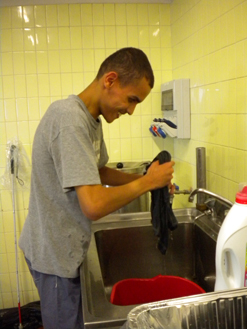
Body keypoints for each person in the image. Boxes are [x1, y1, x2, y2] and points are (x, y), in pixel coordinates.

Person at [19, 47, 175, 329]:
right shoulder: (69, 120)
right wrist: (148, 182)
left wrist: (148, 179)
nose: (130, 110)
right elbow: (93, 205)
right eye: (131, 99)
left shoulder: (91, 119)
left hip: (66, 247)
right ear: (110, 80)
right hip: (54, 257)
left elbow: (99, 171)